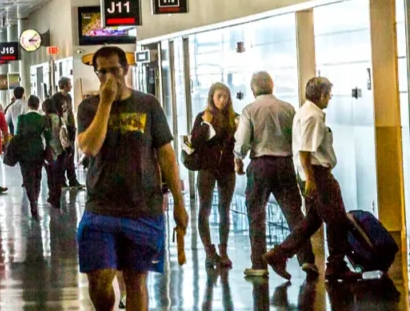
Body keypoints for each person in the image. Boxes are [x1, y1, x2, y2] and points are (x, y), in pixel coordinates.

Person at [76, 46, 187, 311]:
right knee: (100, 280)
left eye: (114, 69)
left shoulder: (148, 104)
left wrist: (179, 205)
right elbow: (89, 147)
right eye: (102, 71)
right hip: (101, 208)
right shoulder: (88, 108)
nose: (108, 76)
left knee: (136, 281)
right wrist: (106, 102)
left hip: (143, 208)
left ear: (126, 69)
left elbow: (166, 154)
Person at [263, 76, 359, 284]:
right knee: (337, 220)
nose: (329, 99)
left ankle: (280, 254)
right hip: (317, 174)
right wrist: (311, 179)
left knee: (312, 221)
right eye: (329, 95)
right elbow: (306, 151)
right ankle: (336, 266)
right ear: (322, 95)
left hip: (310, 173)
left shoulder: (304, 112)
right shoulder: (313, 116)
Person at [235, 71, 314, 278]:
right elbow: (297, 138)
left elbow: (242, 142)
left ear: (253, 89)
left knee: (256, 215)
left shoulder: (249, 110)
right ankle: (307, 260)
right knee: (295, 214)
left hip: (260, 165)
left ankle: (259, 265)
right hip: (285, 164)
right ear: (272, 86)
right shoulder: (288, 109)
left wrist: (238, 159)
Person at [189, 82, 238, 268]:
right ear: (212, 97)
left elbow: (237, 143)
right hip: (207, 168)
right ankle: (209, 251)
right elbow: (195, 142)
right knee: (205, 208)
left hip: (226, 168)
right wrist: (206, 123)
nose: (223, 100)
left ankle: (223, 250)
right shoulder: (202, 117)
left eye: (225, 97)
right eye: (219, 96)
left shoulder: (234, 118)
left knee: (224, 209)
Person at [11, 95, 51, 218]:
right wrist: (47, 150)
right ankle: (36, 198)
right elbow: (48, 137)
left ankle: (32, 200)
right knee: (37, 176)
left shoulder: (21, 118)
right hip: (38, 151)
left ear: (28, 105)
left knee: (27, 178)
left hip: (24, 152)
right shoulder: (43, 119)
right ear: (38, 105)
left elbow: (17, 135)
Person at [53, 77, 82, 189]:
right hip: (62, 129)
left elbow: (69, 112)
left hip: (69, 128)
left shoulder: (69, 97)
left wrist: (73, 126)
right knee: (63, 155)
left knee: (70, 153)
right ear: (64, 85)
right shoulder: (56, 98)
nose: (71, 86)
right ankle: (62, 179)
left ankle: (72, 178)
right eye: (69, 84)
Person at [43, 96, 68, 209]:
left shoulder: (43, 119)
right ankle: (57, 198)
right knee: (58, 176)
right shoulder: (59, 118)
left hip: (48, 151)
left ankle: (51, 195)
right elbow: (65, 134)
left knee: (50, 175)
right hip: (60, 151)